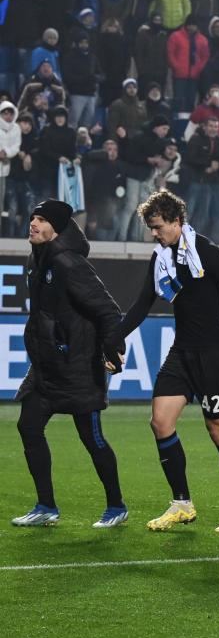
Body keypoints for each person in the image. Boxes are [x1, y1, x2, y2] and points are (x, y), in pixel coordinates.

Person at [113, 190, 219, 532]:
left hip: (213, 352)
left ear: (176, 220)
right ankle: (182, 504)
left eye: (158, 226)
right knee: (160, 421)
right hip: (182, 351)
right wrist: (113, 337)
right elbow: (142, 305)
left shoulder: (205, 250)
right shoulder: (160, 258)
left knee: (218, 428)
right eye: (150, 227)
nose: (153, 233)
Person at [11, 201, 127, 529]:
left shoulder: (68, 263)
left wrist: (114, 349)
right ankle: (46, 506)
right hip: (47, 366)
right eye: (32, 217)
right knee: (28, 426)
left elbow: (107, 310)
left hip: (78, 367)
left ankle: (116, 506)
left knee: (92, 438)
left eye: (41, 219)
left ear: (57, 229)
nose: (33, 223)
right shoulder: (38, 259)